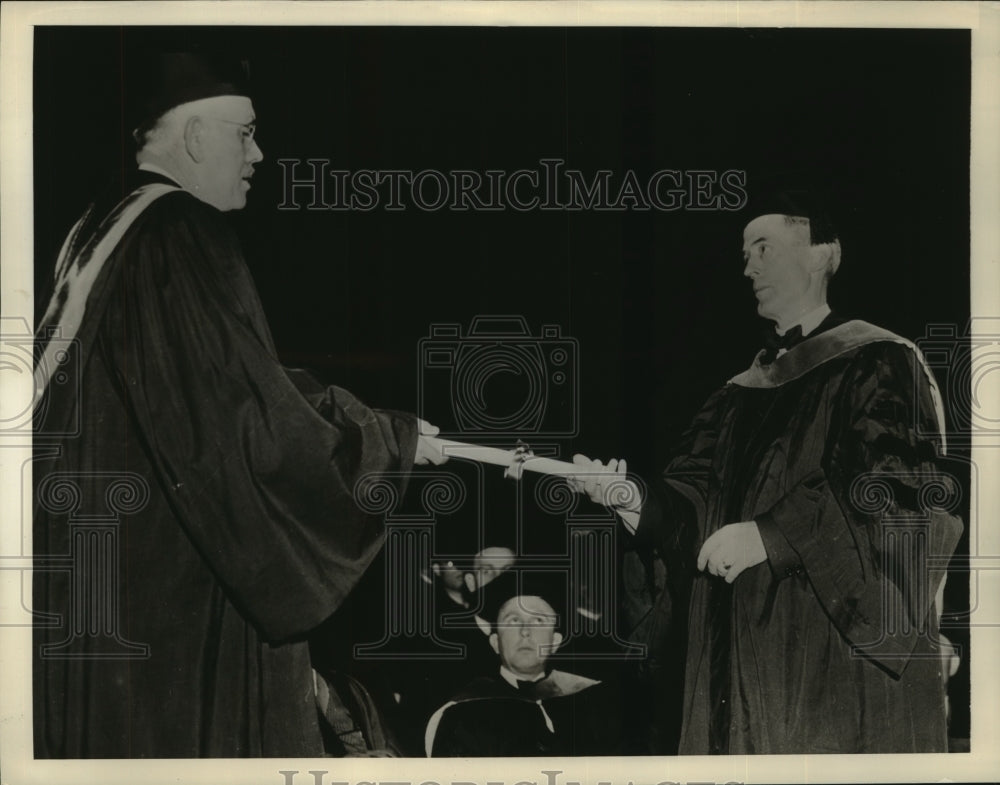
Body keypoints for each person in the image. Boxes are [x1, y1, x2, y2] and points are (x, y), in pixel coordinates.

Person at [32, 51, 446, 758]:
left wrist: (330, 401)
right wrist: (386, 443)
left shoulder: (96, 233)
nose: (260, 152)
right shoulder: (180, 234)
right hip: (173, 622)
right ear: (195, 137)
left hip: (97, 605)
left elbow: (205, 387)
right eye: (245, 133)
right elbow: (249, 437)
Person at [571, 191, 963, 754]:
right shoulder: (736, 395)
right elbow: (695, 494)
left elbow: (898, 491)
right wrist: (632, 498)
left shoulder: (879, 361)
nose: (748, 265)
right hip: (738, 652)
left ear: (821, 255)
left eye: (765, 247)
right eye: (745, 251)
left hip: (829, 658)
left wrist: (771, 535)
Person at [424, 569, 621, 757]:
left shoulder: (592, 703)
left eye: (538, 621)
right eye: (513, 621)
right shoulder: (462, 713)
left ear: (555, 642)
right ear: (495, 643)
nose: (525, 631)